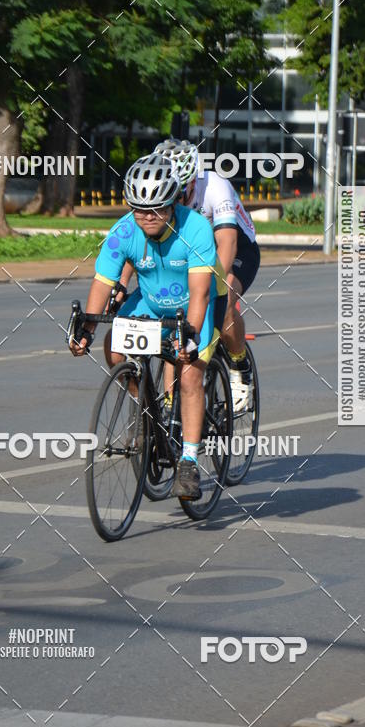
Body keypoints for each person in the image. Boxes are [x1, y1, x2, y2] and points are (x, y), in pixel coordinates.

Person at [68, 152, 227, 500]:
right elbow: (102, 283)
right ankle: (146, 411)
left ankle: (188, 461)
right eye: (139, 209)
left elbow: (200, 294)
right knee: (113, 346)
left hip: (196, 303)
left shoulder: (196, 228)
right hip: (152, 302)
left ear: (173, 203)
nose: (147, 217)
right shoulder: (124, 230)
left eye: (156, 209)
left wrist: (188, 338)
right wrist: (86, 330)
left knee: (189, 373)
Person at [165, 139, 260, 411]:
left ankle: (239, 364)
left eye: (179, 193)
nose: (174, 200)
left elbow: (227, 243)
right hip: (195, 250)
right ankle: (170, 408)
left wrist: (211, 289)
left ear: (192, 181)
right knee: (174, 317)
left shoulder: (215, 186)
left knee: (224, 298)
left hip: (238, 248)